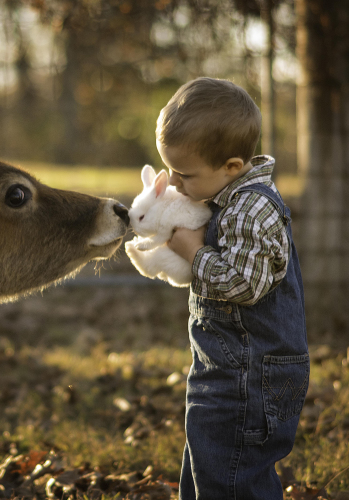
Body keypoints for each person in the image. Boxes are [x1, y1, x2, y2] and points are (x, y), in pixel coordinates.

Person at [159, 77, 309, 500]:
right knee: (209, 466)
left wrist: (194, 252)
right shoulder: (227, 199)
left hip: (251, 376)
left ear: (230, 167)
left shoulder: (252, 208)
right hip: (226, 367)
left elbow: (244, 284)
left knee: (233, 477)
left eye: (184, 174)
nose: (173, 183)